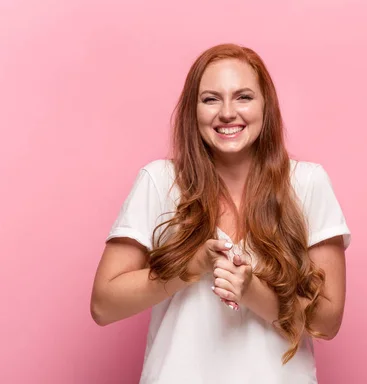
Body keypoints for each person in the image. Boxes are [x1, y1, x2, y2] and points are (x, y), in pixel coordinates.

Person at [90, 43, 351, 384]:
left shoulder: (308, 183)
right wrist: (191, 266)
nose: (227, 112)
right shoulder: (159, 181)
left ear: (266, 107)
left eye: (243, 97)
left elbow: (327, 322)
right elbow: (104, 305)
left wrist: (251, 290)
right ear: (192, 110)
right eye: (211, 99)